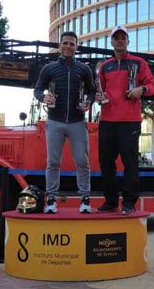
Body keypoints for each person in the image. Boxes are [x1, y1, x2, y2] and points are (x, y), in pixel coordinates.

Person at [95, 25, 154, 214]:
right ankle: (111, 201)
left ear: (128, 41)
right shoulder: (104, 66)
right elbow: (99, 90)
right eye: (116, 38)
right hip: (107, 121)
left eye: (123, 38)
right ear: (111, 42)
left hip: (130, 121)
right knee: (106, 163)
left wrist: (141, 89)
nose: (120, 40)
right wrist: (98, 97)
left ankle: (128, 203)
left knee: (130, 163)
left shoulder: (139, 63)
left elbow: (152, 85)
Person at [33, 31, 95, 213]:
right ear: (59, 46)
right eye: (65, 43)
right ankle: (51, 201)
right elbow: (37, 89)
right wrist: (43, 97)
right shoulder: (49, 68)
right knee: (52, 162)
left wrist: (89, 102)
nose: (68, 46)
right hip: (54, 121)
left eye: (72, 44)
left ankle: (85, 200)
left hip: (77, 122)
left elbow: (92, 91)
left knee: (82, 162)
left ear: (77, 47)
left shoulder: (84, 69)